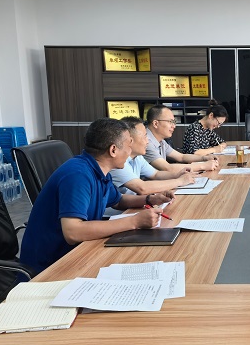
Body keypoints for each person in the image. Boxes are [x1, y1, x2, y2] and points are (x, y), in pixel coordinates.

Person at [20, 118, 169, 273]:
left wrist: (150, 199)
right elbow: (73, 232)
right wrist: (134, 221)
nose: (130, 151)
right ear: (113, 150)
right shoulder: (78, 175)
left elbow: (118, 201)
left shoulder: (99, 170)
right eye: (128, 145)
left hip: (80, 252)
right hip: (51, 267)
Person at [110, 116, 197, 196]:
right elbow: (142, 188)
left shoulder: (137, 157)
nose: (147, 141)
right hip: (124, 207)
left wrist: (178, 174)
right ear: (129, 140)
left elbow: (156, 174)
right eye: (144, 137)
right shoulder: (117, 162)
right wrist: (180, 181)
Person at [144, 104, 219, 173]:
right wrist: (203, 166)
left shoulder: (161, 141)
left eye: (174, 122)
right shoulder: (146, 142)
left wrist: (205, 158)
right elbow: (167, 168)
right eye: (170, 122)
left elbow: (181, 157)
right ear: (156, 124)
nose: (174, 126)